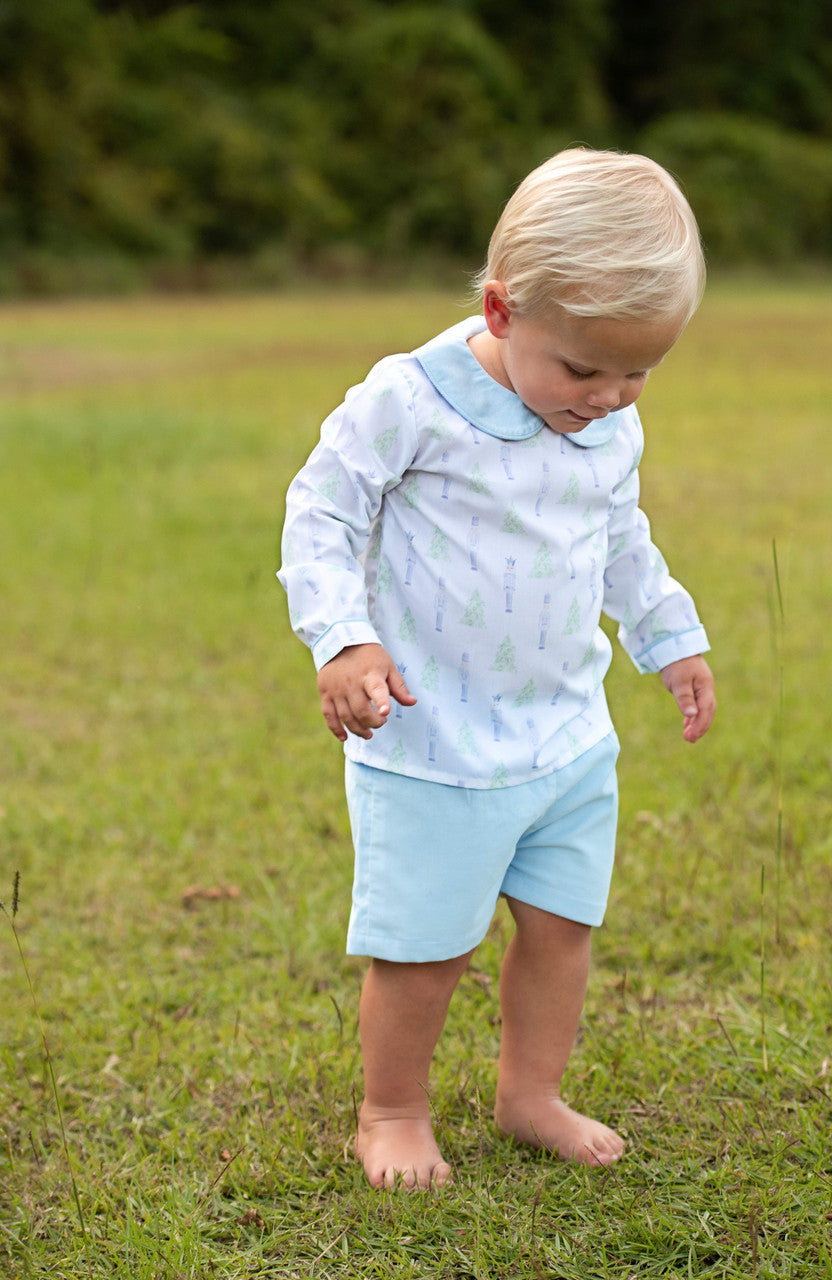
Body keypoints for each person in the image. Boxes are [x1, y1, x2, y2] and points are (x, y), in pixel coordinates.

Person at [278, 148, 716, 1189]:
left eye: (637, 371)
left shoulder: (604, 418)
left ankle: (529, 1093)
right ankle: (391, 1107)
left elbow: (618, 535)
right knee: (426, 948)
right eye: (585, 369)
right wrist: (342, 637)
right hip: (435, 741)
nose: (610, 395)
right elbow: (323, 511)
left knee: (563, 926)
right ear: (502, 310)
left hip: (564, 734)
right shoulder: (410, 401)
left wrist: (668, 633)